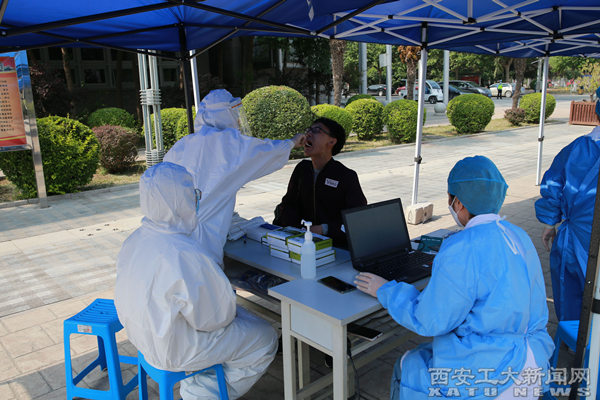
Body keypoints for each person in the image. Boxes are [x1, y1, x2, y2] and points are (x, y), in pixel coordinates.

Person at [116, 89, 306, 400]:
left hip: (146, 335)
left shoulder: (136, 239)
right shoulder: (230, 145)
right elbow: (215, 318)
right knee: (253, 331)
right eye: (192, 195)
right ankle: (200, 393)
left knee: (209, 302)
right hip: (178, 339)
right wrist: (294, 141)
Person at [355, 156, 554, 400]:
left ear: (458, 202)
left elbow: (430, 320)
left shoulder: (463, 246)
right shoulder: (517, 234)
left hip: (493, 370)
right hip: (534, 361)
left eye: (450, 198)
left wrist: (385, 290)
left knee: (409, 364)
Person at [163, 89, 305, 266]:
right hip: (206, 236)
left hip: (173, 233)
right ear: (224, 115)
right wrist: (292, 142)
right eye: (234, 113)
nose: (237, 120)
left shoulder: (182, 144)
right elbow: (264, 152)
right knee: (204, 276)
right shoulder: (230, 144)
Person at [535, 92, 600, 321]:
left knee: (571, 293)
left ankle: (572, 337)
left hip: (575, 239)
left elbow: (553, 183)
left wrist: (549, 223)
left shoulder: (577, 149)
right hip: (578, 235)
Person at [273, 117, 367, 248]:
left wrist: (324, 229)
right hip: (301, 243)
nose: (308, 134)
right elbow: (289, 204)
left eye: (317, 130)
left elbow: (357, 219)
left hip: (335, 247)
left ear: (332, 141)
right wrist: (294, 230)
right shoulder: (302, 169)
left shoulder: (346, 176)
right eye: (309, 130)